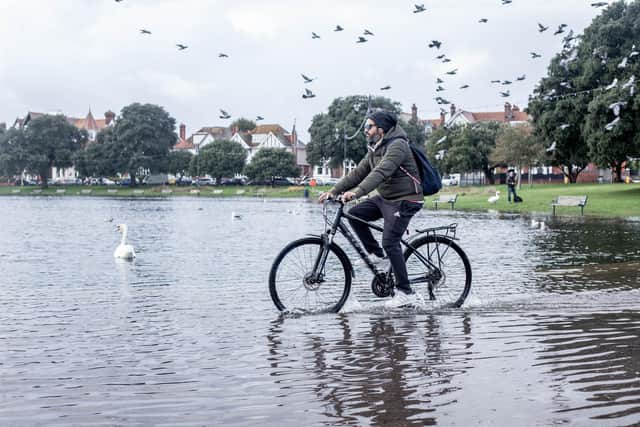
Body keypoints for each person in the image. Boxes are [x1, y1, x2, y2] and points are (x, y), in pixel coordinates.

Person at [318, 110, 424, 308]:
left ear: (381, 129)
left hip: (406, 200)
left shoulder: (398, 145)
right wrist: (334, 191)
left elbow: (381, 172)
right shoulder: (376, 148)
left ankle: (406, 292)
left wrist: (356, 193)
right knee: (355, 214)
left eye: (369, 126)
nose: (365, 130)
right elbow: (358, 173)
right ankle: (378, 256)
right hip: (387, 198)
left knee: (390, 241)